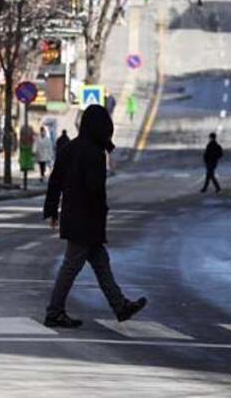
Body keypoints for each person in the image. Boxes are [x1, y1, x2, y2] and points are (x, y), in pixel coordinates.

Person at [43, 104, 147, 328]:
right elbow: (95, 190)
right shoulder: (94, 153)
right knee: (71, 266)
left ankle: (120, 306)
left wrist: (52, 210)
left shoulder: (70, 148)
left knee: (101, 264)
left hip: (73, 215)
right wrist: (101, 214)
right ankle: (54, 312)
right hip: (87, 219)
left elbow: (55, 181)